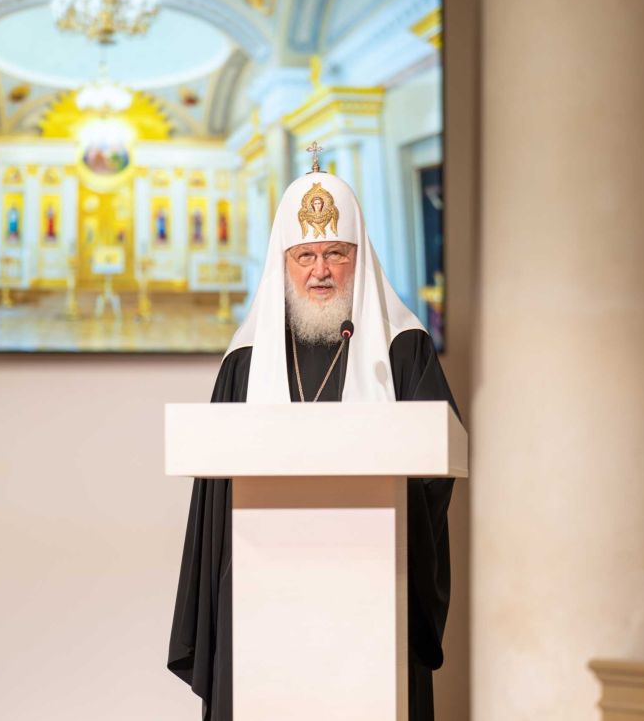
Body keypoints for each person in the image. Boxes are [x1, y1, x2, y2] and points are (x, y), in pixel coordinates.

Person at [168, 168, 458, 721]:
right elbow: (214, 496)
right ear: (283, 263)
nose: (320, 271)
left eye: (334, 254)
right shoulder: (246, 361)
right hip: (260, 594)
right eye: (305, 256)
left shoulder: (402, 350)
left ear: (359, 257)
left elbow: (434, 473)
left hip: (371, 592)